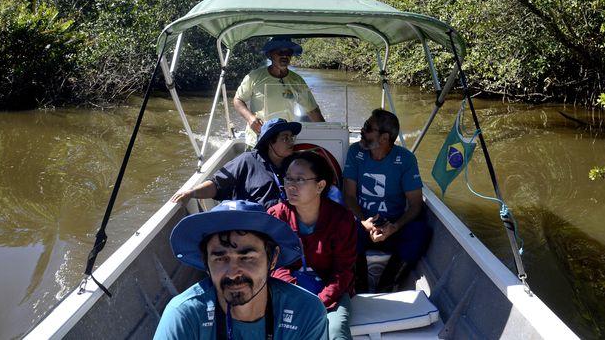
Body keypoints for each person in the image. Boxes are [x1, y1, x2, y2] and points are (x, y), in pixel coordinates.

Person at [154, 200, 328, 339]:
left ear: (273, 258)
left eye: (247, 258)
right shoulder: (184, 315)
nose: (232, 273)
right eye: (220, 259)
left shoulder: (305, 310)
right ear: (205, 263)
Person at [268, 151, 357, 340]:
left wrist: (319, 301)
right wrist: (297, 295)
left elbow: (343, 271)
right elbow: (273, 264)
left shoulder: (341, 219)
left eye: (299, 179)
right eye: (288, 178)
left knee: (335, 331)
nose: (291, 185)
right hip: (287, 291)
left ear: (320, 185)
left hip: (331, 292)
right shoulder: (276, 216)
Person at [342, 109, 431, 293]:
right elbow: (349, 195)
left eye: (367, 127)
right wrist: (363, 222)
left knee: (420, 232)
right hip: (362, 224)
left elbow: (415, 205)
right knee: (344, 229)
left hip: (392, 225)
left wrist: (394, 227)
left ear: (384, 137)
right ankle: (359, 286)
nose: (362, 130)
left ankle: (388, 283)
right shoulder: (355, 152)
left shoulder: (405, 159)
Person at [170, 118, 300, 210]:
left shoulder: (297, 163)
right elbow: (217, 185)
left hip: (286, 225)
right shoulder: (247, 161)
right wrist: (191, 193)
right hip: (253, 227)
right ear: (269, 143)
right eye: (285, 138)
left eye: (291, 137)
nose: (291, 142)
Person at [234, 36, 325, 147]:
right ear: (270, 55)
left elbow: (312, 111)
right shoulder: (254, 77)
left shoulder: (297, 80)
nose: (284, 56)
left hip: (285, 141)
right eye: (279, 52)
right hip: (258, 139)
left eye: (288, 52)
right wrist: (250, 118)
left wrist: (328, 133)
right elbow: (238, 100)